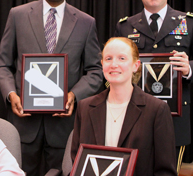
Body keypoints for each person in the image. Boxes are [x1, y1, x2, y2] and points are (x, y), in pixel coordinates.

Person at [0, 0, 103, 176]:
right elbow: (3, 65)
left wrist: (74, 95)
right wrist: (11, 95)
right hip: (23, 123)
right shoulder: (18, 15)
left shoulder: (85, 22)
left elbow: (95, 70)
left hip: (63, 125)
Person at [114, 0, 193, 173]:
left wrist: (189, 69)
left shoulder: (188, 23)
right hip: (135, 116)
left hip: (175, 119)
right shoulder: (125, 26)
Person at [71, 37, 177, 175]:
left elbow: (165, 171)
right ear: (102, 64)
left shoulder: (157, 110)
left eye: (122, 58)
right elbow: (77, 162)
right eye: (108, 59)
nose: (114, 64)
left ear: (136, 65)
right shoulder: (85, 107)